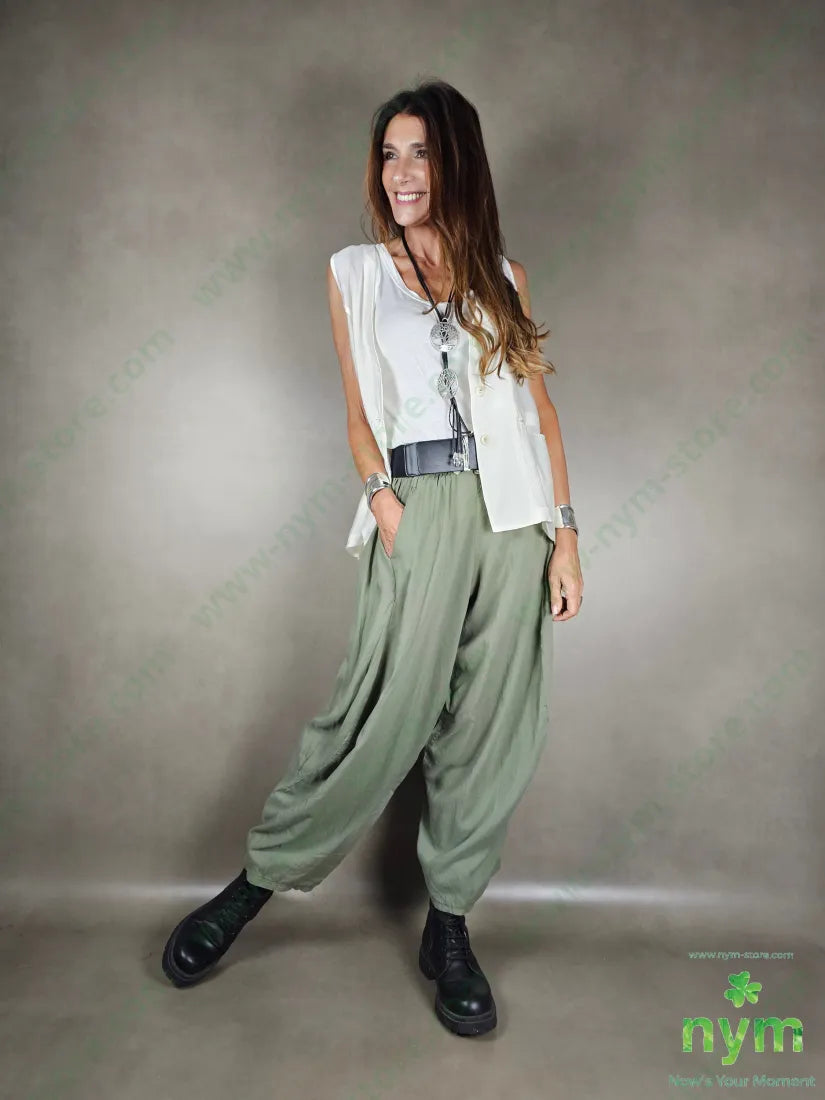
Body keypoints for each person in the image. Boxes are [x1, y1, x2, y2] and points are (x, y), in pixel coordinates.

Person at [162, 79, 583, 1038]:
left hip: (513, 519)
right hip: (419, 508)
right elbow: (357, 414)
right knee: (379, 714)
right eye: (389, 154)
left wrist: (564, 534)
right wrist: (383, 501)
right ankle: (253, 884)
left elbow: (540, 414)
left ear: (455, 162)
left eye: (419, 153)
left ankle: (449, 928)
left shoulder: (503, 278)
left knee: (489, 726)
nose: (400, 173)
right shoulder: (353, 272)